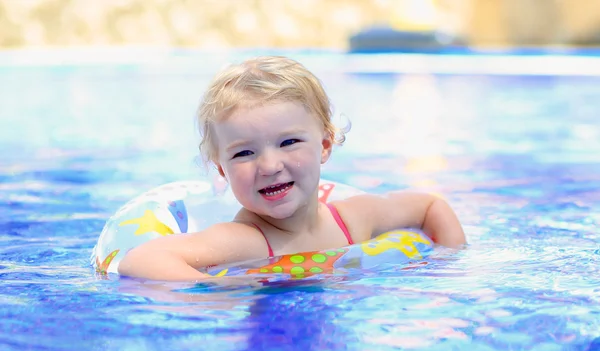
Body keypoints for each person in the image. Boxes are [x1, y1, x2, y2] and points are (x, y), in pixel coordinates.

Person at [119, 56, 466, 280]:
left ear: (325, 146)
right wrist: (218, 294)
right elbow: (141, 260)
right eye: (244, 154)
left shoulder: (354, 219)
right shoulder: (248, 240)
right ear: (222, 171)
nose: (269, 165)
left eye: (288, 143)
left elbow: (430, 206)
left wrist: (449, 266)